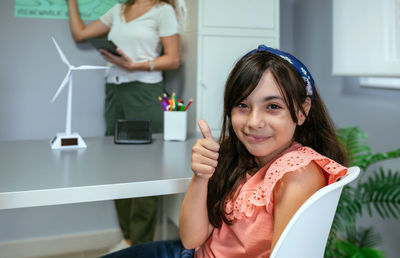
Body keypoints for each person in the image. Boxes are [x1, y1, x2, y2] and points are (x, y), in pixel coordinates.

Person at [101, 45, 348, 257]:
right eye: (243, 105)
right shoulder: (235, 152)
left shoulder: (299, 174)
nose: (254, 122)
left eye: (273, 106)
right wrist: (201, 175)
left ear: (303, 110)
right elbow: (191, 239)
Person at [66, 0, 180, 249]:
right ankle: (128, 238)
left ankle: (139, 244)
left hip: (145, 92)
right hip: (114, 92)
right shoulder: (118, 10)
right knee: (117, 168)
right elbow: (80, 34)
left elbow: (173, 59)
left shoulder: (163, 11)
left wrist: (135, 65)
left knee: (147, 171)